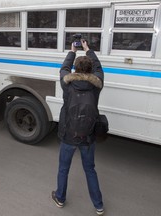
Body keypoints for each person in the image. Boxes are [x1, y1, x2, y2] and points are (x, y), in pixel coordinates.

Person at [52, 40, 104, 215]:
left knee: (63, 168)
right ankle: (98, 205)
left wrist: (72, 51)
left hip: (69, 134)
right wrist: (88, 50)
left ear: (75, 68)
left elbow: (63, 68)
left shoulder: (67, 84)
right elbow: (99, 68)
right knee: (90, 169)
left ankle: (60, 198)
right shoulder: (97, 85)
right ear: (90, 70)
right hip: (88, 136)